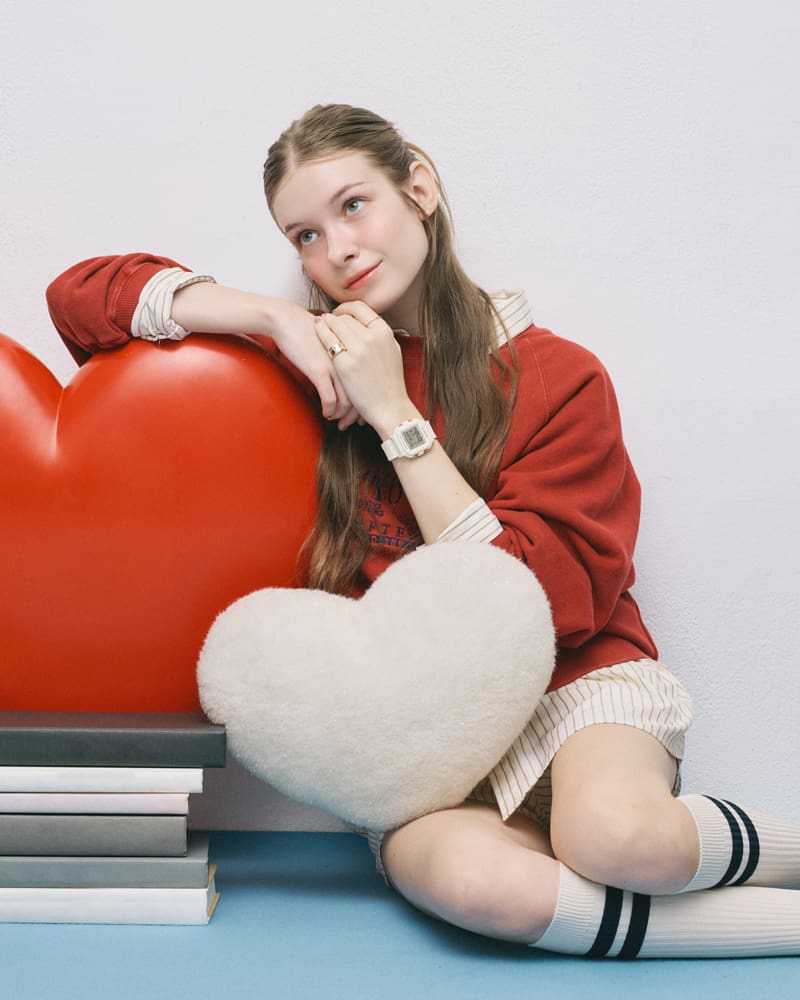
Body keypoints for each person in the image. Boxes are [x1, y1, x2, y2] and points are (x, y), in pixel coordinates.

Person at [46, 104, 800, 958]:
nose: (335, 248)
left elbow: (548, 607)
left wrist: (397, 416)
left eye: (354, 205)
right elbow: (80, 300)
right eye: (302, 235)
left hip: (572, 689)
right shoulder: (307, 373)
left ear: (421, 190)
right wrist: (274, 320)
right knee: (481, 890)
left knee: (618, 841)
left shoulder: (558, 375)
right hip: (421, 739)